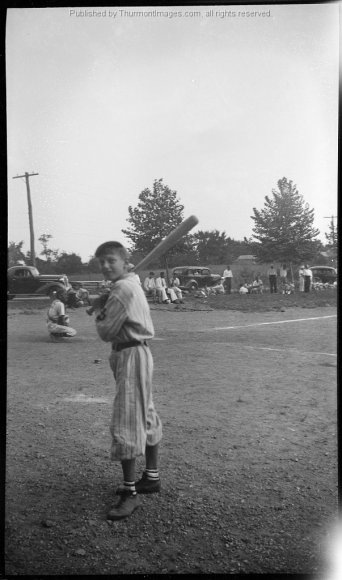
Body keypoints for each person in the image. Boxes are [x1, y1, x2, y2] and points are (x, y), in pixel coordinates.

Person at [92, 241, 162, 521]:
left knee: (127, 420)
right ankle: (152, 477)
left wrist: (99, 308)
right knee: (145, 413)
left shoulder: (122, 289)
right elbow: (126, 283)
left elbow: (106, 331)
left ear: (124, 262)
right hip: (139, 352)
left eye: (111, 260)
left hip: (129, 353)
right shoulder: (130, 281)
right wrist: (107, 296)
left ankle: (129, 491)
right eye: (102, 262)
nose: (106, 266)